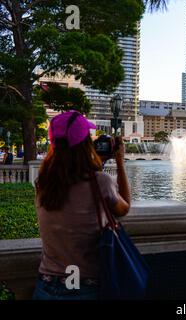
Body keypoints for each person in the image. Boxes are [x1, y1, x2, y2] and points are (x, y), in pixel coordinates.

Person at [33, 110, 131, 300]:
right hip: (84, 287)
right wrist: (120, 162)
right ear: (86, 145)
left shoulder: (42, 183)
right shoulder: (101, 182)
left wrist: (96, 164)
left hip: (45, 285)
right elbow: (124, 207)